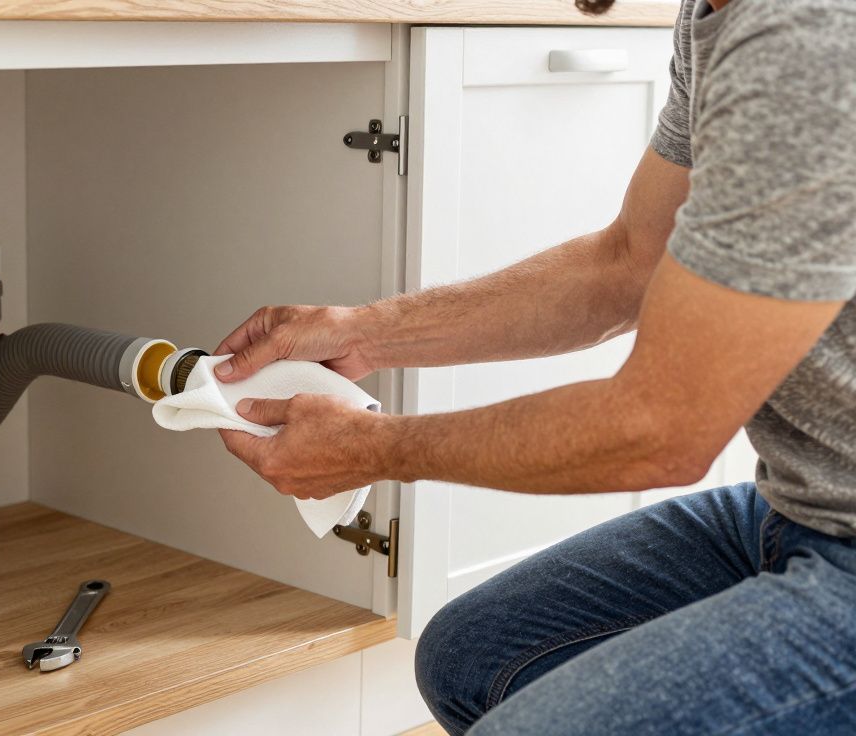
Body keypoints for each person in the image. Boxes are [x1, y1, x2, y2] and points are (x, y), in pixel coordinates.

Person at [213, 0, 856, 733]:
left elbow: (659, 429)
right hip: (802, 507)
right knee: (473, 659)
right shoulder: (719, 13)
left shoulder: (811, 38)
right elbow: (631, 262)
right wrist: (361, 333)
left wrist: (368, 448)